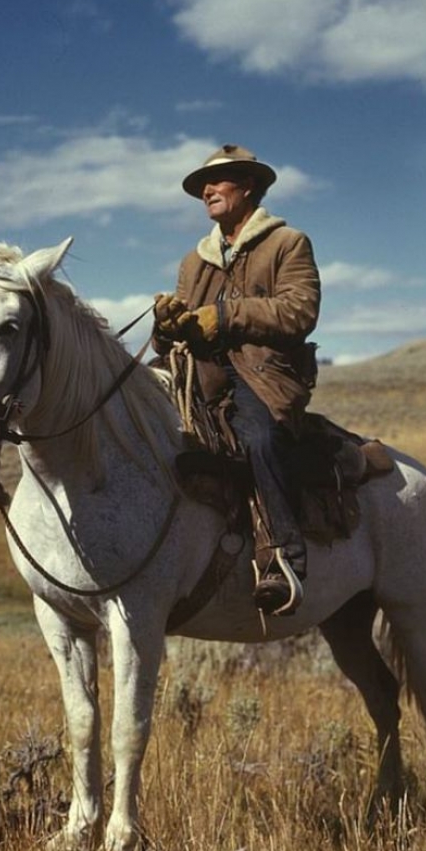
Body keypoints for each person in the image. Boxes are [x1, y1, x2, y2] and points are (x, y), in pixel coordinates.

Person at [153, 144, 321, 616]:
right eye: (202, 187)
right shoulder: (195, 260)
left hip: (263, 373)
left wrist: (225, 317)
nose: (207, 191)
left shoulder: (287, 243)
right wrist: (167, 326)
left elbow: (299, 311)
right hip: (198, 372)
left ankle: (282, 556)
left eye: (218, 181)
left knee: (261, 438)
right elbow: (182, 329)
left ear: (247, 186)